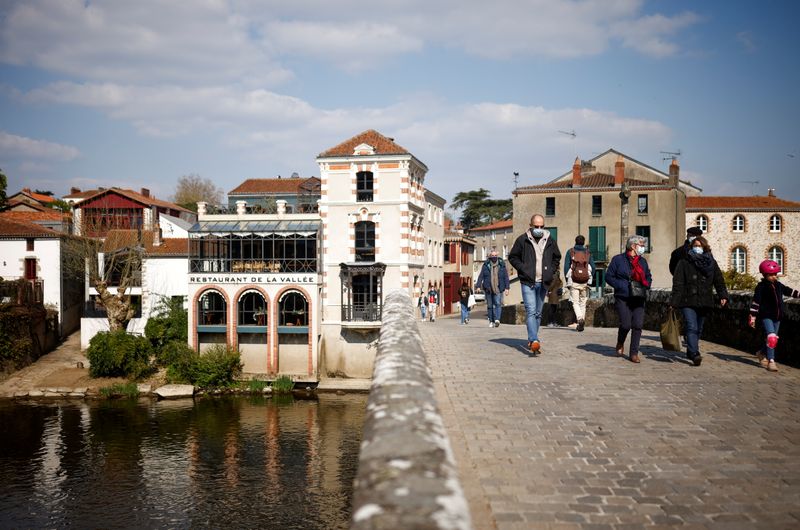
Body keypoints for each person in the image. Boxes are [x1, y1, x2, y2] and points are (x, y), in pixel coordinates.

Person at [670, 236, 729, 366]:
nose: (697, 248)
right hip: (687, 300)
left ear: (705, 247)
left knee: (699, 328)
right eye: (695, 246)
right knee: (691, 326)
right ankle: (695, 353)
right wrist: (674, 302)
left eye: (700, 246)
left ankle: (691, 350)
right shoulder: (684, 262)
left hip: (704, 300)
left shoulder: (711, 263)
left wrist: (723, 295)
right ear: (691, 247)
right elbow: (678, 283)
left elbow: (718, 280)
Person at [508, 214, 561, 354]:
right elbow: (513, 257)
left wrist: (551, 270)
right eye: (536, 226)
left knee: (538, 313)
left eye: (541, 226)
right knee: (531, 311)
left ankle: (532, 340)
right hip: (528, 281)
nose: (539, 229)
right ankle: (534, 339)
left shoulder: (550, 240)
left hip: (543, 282)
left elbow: (557, 257)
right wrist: (523, 268)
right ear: (530, 225)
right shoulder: (522, 240)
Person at [605, 235, 652, 363]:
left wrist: (646, 285)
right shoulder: (618, 260)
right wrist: (621, 286)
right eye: (641, 245)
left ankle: (634, 353)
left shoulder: (642, 262)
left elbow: (648, 276)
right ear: (633, 246)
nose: (643, 247)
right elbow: (608, 277)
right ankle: (620, 342)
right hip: (623, 297)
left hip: (639, 297)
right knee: (626, 324)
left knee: (637, 325)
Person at [749, 260, 800, 372]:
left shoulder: (778, 285)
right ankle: (771, 361)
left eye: (775, 274)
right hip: (766, 315)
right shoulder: (761, 287)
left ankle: (762, 352)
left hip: (778, 316)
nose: (774, 277)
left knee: (773, 339)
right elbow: (756, 302)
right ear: (764, 275)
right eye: (771, 275)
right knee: (771, 337)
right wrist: (752, 317)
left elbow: (789, 291)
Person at [563, 234, 595, 331]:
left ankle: (580, 319)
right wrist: (589, 278)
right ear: (583, 242)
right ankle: (581, 322)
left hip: (574, 280)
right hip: (584, 281)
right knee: (583, 302)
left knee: (575, 302)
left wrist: (567, 279)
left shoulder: (571, 251)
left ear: (575, 241)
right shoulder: (587, 252)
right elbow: (593, 267)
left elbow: (566, 267)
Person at [476, 247, 510, 328]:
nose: (494, 257)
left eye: (495, 255)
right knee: (490, 306)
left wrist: (507, 288)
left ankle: (497, 320)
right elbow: (481, 276)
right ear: (490, 256)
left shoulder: (501, 265)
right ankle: (491, 321)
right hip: (488, 288)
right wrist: (478, 286)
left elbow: (506, 277)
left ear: (497, 256)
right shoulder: (486, 265)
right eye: (492, 255)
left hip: (498, 288)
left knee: (498, 304)